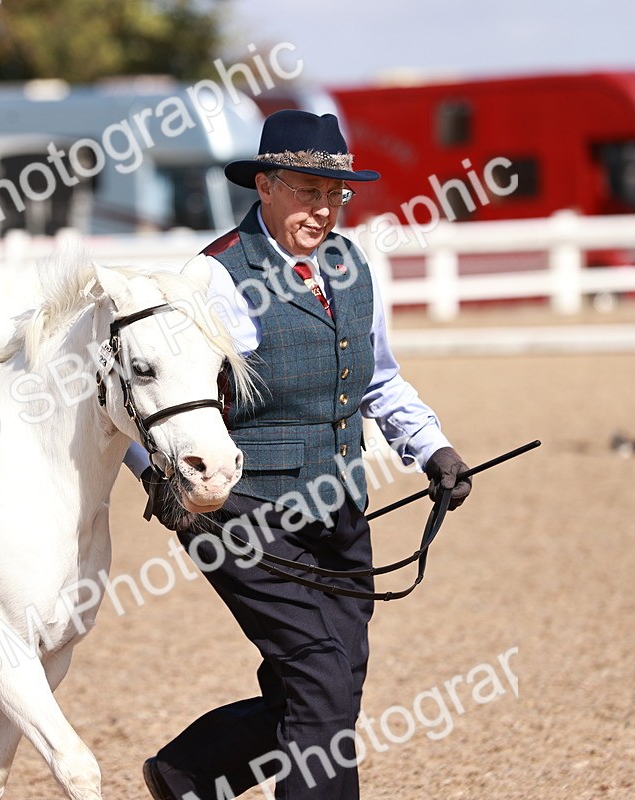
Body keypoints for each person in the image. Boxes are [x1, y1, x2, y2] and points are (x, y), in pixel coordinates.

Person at [126, 110, 473, 800]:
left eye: (335, 194)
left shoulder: (350, 265)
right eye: (307, 191)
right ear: (264, 184)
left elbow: (377, 376)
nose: (324, 210)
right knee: (320, 678)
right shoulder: (216, 278)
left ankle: (192, 773)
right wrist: (159, 481)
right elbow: (150, 394)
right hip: (241, 512)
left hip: (339, 500)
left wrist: (430, 447)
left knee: (332, 676)